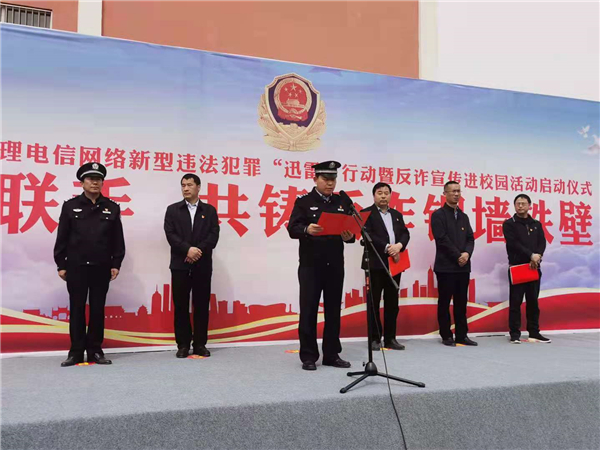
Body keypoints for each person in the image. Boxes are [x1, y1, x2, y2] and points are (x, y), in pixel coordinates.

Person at [54, 162, 125, 367]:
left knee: (97, 309)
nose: (95, 182)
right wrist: (61, 264)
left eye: (98, 179)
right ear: (82, 183)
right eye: (90, 179)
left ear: (103, 182)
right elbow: (62, 238)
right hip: (76, 266)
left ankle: (95, 350)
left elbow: (117, 240)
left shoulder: (111, 207)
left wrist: (116, 263)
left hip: (101, 266)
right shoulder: (70, 206)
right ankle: (76, 352)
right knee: (77, 309)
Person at [288, 161, 355, 370]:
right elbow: (292, 228)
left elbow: (351, 229)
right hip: (311, 265)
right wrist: (307, 229)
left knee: (333, 310)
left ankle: (331, 354)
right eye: (325, 179)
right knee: (309, 309)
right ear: (315, 178)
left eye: (333, 179)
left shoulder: (342, 201)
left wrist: (349, 236)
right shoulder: (304, 202)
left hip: (335, 265)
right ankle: (308, 356)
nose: (330, 183)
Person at [164, 174, 219, 358]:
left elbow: (213, 236)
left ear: (198, 187)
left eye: (189, 185)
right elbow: (170, 234)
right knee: (180, 306)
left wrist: (197, 252)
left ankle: (200, 344)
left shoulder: (209, 211)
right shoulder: (173, 210)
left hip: (202, 265)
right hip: (179, 265)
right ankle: (183, 344)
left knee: (201, 305)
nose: (186, 188)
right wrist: (187, 250)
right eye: (183, 185)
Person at [361, 182, 410, 351]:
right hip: (375, 264)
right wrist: (389, 248)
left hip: (394, 264)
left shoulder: (396, 214)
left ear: (390, 195)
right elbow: (368, 235)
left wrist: (399, 246)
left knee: (392, 302)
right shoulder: (366, 213)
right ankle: (375, 338)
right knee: (373, 302)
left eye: (386, 193)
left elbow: (405, 233)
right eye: (379, 193)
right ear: (374, 195)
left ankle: (390, 338)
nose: (383, 196)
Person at [431, 180, 477, 347]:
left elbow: (471, 238)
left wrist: (467, 254)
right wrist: (458, 255)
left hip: (463, 267)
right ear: (445, 194)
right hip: (446, 267)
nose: (456, 194)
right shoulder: (438, 215)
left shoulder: (464, 216)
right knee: (444, 302)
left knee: (461, 302)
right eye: (453, 191)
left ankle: (461, 335)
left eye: (458, 191)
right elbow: (441, 239)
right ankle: (446, 335)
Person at [502, 194, 550, 344]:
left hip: (534, 267)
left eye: (523, 203)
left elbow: (542, 242)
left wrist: (538, 256)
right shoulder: (509, 224)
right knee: (515, 302)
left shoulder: (536, 224)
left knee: (533, 302)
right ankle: (514, 334)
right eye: (518, 203)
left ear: (530, 205)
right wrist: (531, 255)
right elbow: (513, 243)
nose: (520, 206)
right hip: (518, 268)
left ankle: (534, 332)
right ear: (514, 206)